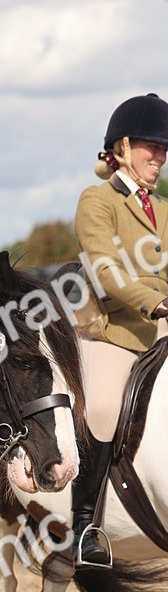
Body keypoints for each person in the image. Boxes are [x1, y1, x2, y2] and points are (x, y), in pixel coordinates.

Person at [73, 92, 168, 564]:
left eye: (164, 148)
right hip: (117, 330)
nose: (161, 156)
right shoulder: (96, 201)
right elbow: (106, 270)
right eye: (152, 146)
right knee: (106, 405)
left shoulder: (164, 208)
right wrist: (158, 303)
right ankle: (85, 526)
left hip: (163, 325)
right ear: (124, 148)